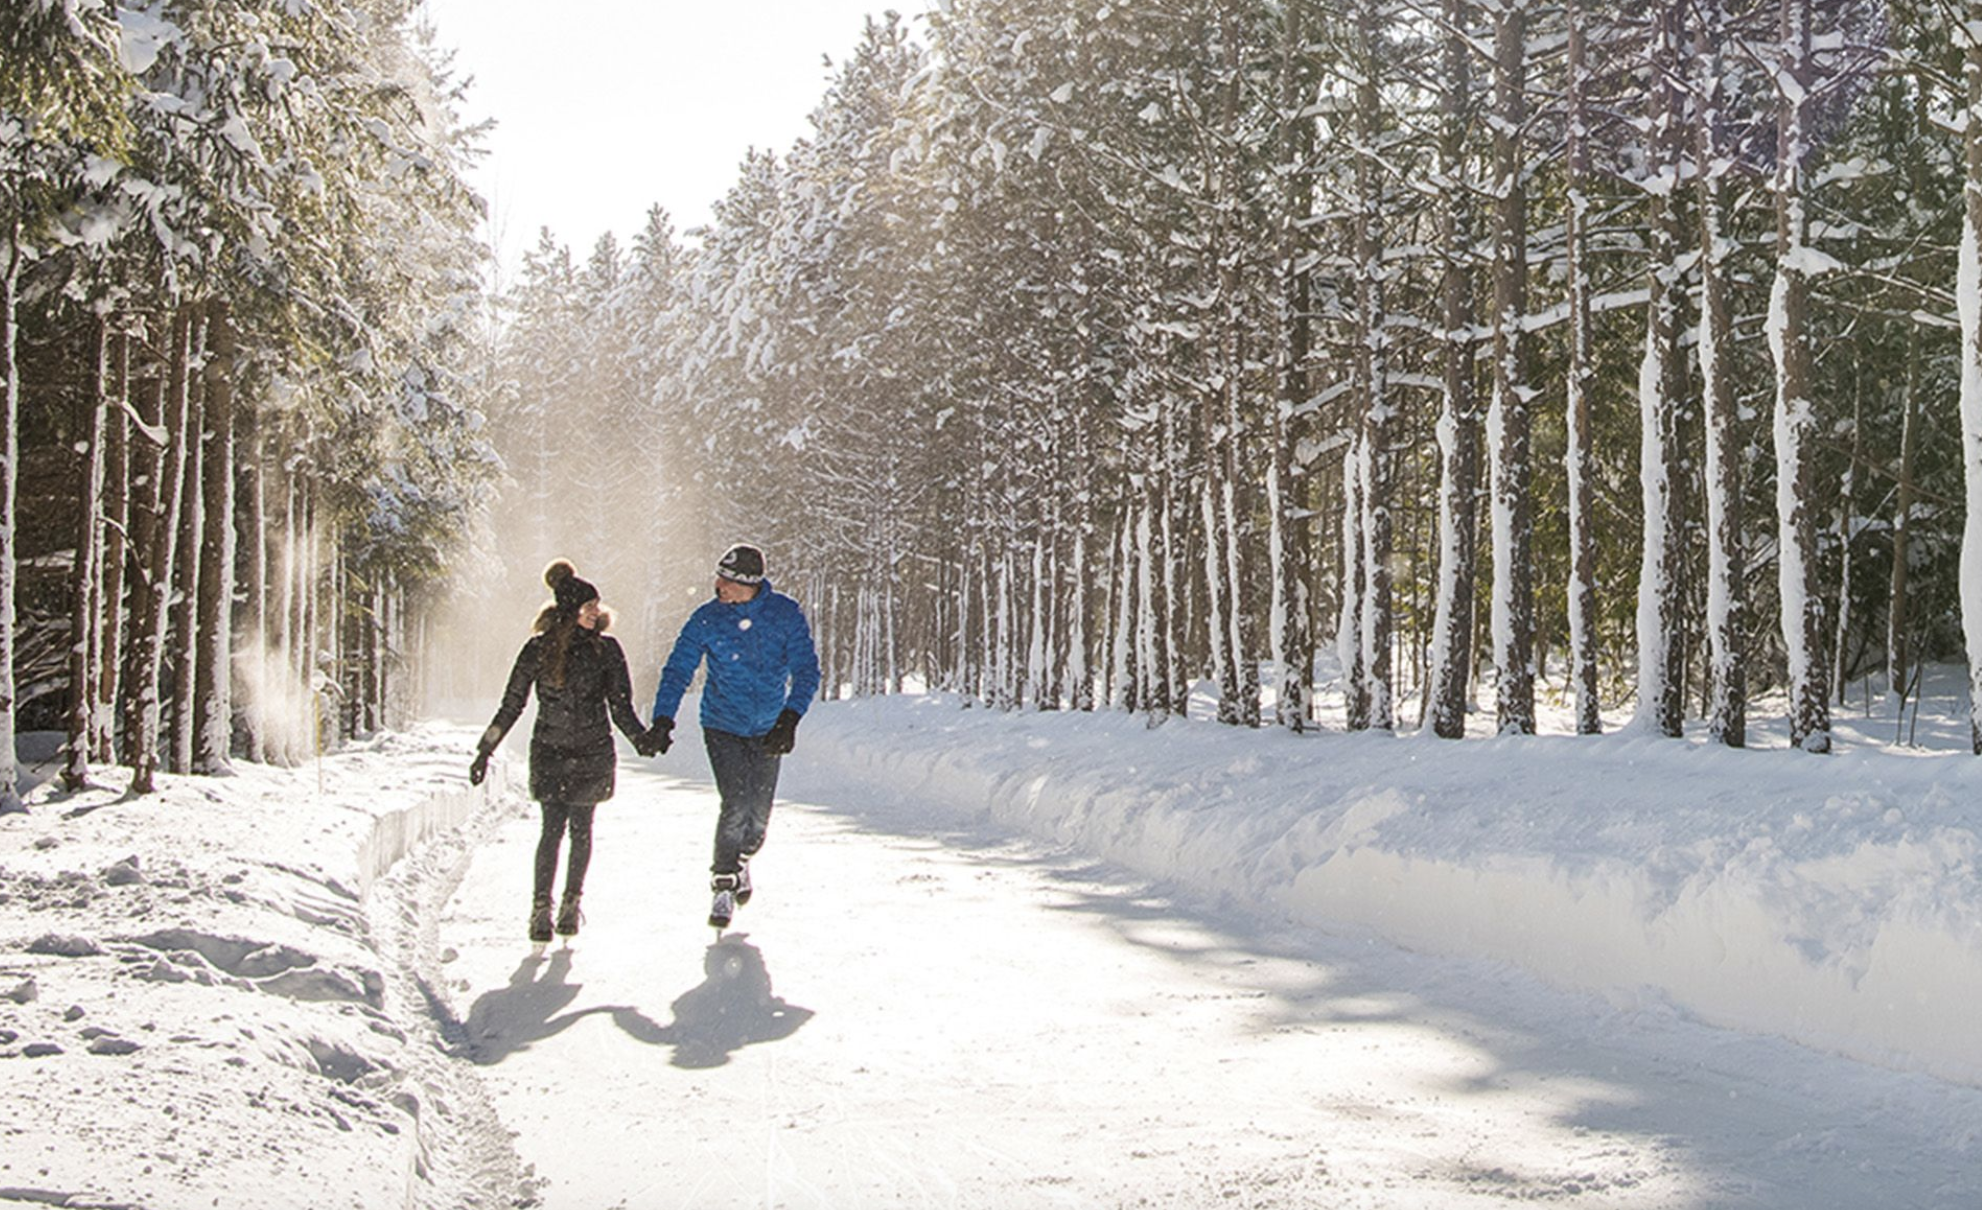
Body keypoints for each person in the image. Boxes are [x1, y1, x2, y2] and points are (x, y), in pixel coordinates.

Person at [472, 560, 654, 943]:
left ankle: (570, 904)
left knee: (581, 830)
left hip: (591, 752)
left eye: (597, 606)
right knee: (552, 830)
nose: (596, 612)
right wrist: (485, 750)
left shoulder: (607, 651)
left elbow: (620, 706)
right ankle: (542, 909)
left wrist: (642, 739)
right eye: (588, 607)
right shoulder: (538, 650)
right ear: (570, 611)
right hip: (552, 751)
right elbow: (512, 704)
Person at [644, 543, 820, 929]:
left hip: (769, 727)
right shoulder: (707, 619)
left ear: (747, 584)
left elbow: (807, 670)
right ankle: (722, 882)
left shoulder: (784, 615)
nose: (717, 585)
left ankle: (742, 860)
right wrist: (662, 720)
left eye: (725, 580)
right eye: (717, 577)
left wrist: (789, 719)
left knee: (758, 819)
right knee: (736, 802)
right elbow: (678, 669)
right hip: (722, 724)